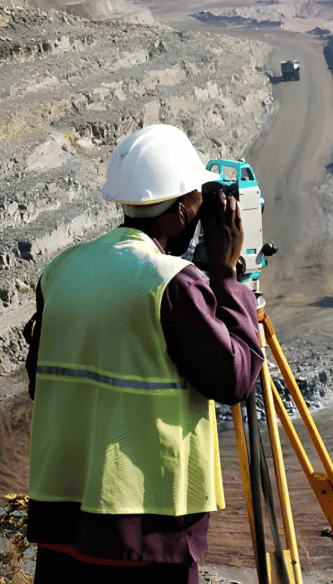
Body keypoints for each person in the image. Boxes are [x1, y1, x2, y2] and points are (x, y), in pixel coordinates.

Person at [23, 124, 264, 584]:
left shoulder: (62, 269)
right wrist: (227, 276)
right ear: (179, 213)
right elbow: (235, 379)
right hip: (146, 535)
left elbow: (42, 381)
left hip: (61, 525)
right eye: (197, 201)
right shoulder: (171, 281)